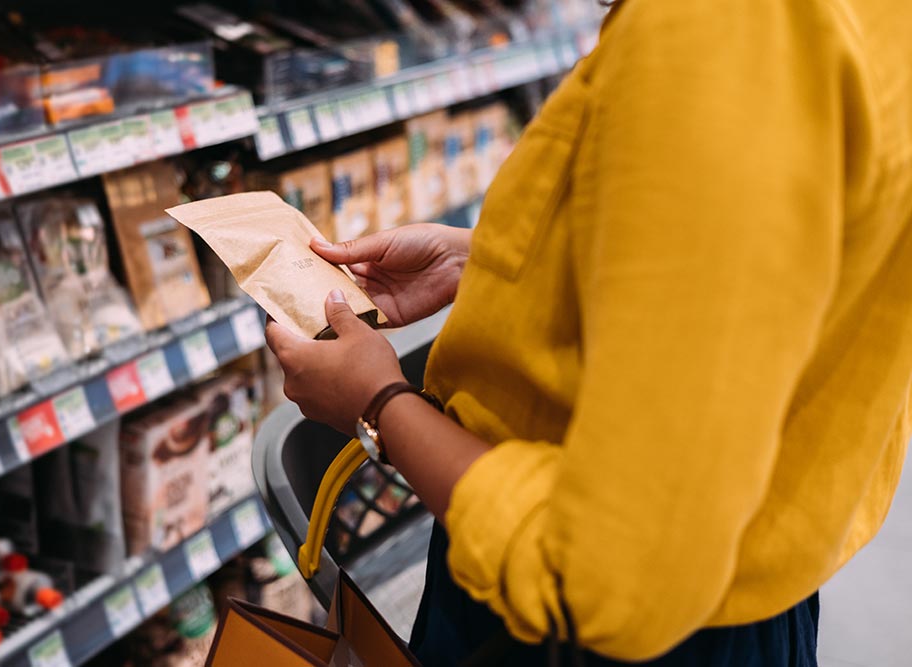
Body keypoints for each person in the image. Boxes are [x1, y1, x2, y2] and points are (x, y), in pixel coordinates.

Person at [264, 0, 912, 664]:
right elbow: (779, 275)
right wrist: (497, 262)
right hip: (738, 594)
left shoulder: (729, 27)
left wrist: (378, 404)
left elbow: (621, 576)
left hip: (589, 636)